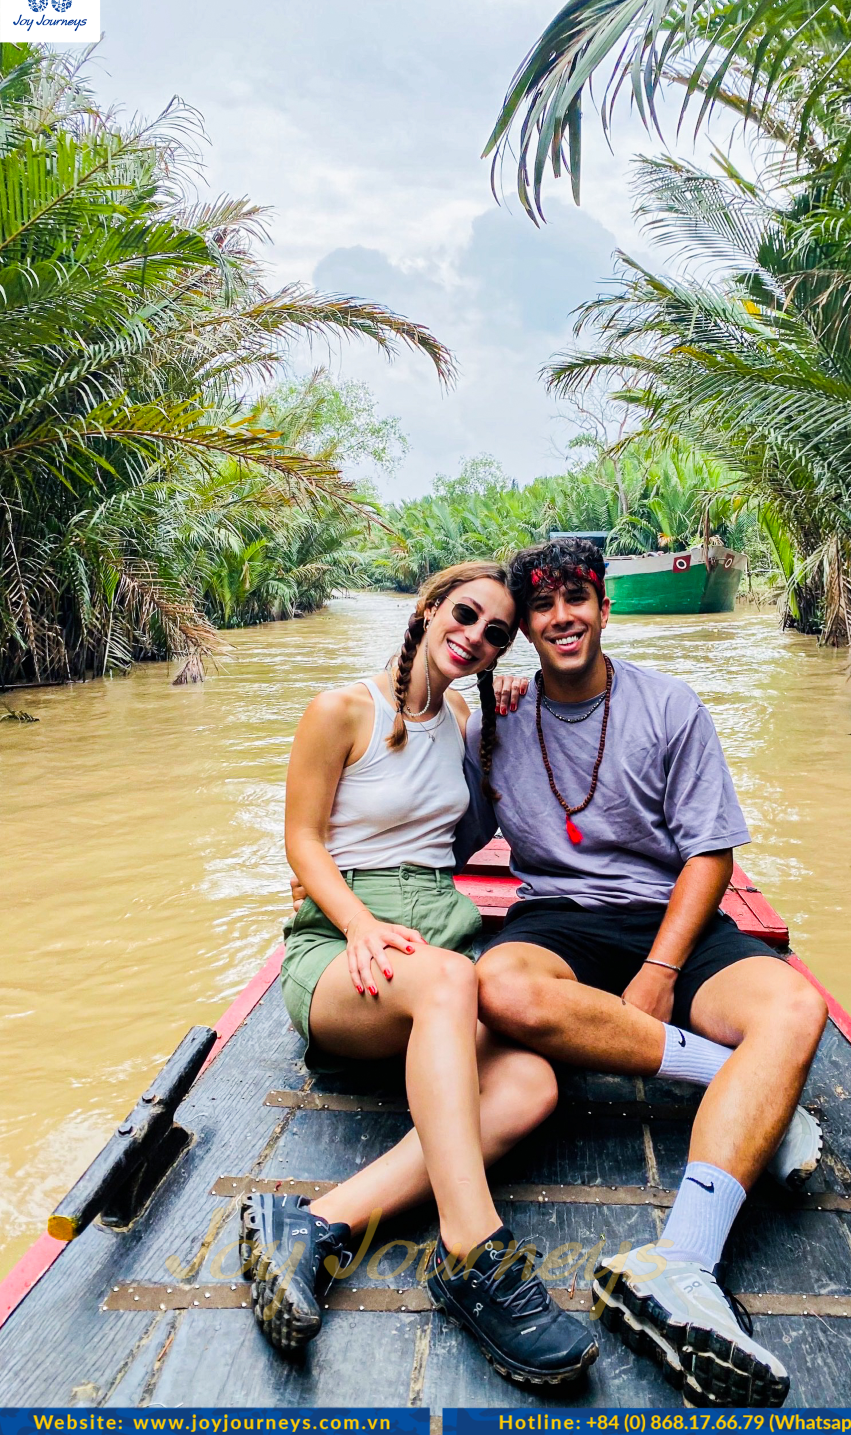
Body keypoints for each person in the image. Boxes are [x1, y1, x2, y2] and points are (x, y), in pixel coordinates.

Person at [466, 537, 829, 1408]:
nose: (563, 618)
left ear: (604, 605)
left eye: (577, 598)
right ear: (525, 627)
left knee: (792, 1005)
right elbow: (435, 814)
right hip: (558, 919)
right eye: (544, 606)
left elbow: (711, 850)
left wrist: (663, 966)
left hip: (671, 915)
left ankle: (682, 1263)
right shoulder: (497, 718)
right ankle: (744, 1086)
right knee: (500, 986)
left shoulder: (670, 705)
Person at [241, 561, 598, 1388]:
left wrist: (503, 727)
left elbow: (466, 830)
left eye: (496, 633)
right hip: (342, 944)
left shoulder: (467, 719)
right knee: (449, 983)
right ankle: (474, 1249)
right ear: (431, 607)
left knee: (533, 1086)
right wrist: (360, 922)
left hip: (436, 933)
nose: (474, 636)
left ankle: (319, 1222)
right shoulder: (341, 710)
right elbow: (301, 840)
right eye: (465, 614)